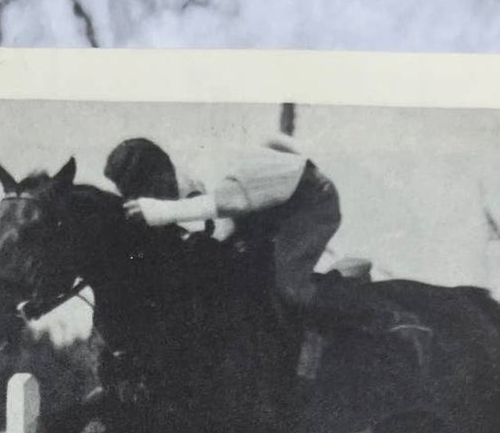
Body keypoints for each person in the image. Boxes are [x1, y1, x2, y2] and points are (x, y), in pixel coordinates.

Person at [105, 135, 433, 408]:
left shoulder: (209, 171)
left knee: (288, 284)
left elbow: (225, 207)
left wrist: (160, 212)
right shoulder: (174, 191)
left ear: (160, 176)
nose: (149, 204)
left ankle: (383, 314)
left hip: (309, 198)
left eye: (146, 196)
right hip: (265, 209)